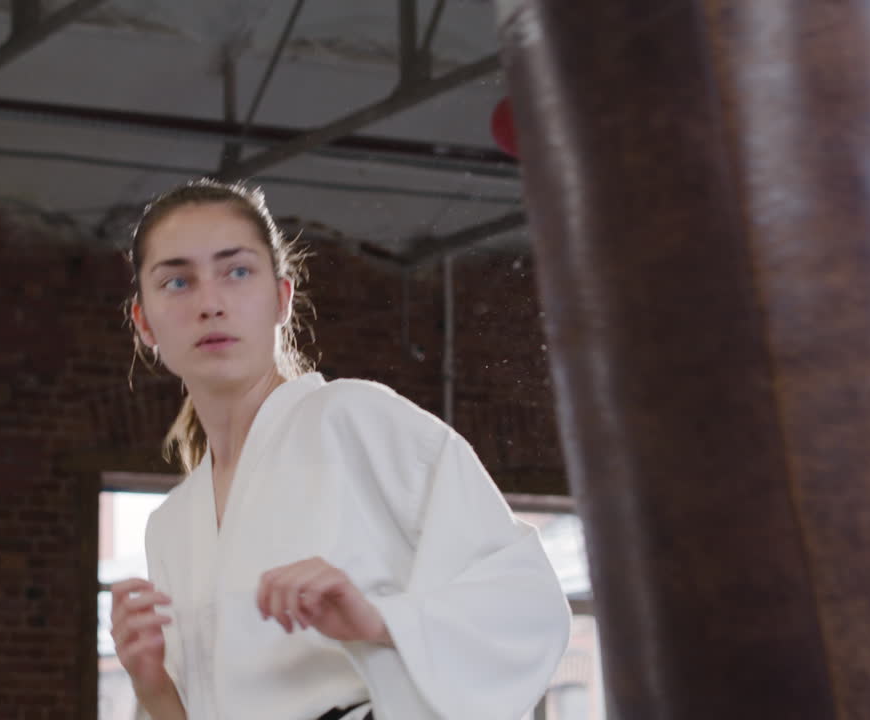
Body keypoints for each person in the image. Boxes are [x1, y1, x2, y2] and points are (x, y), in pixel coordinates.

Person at [109, 179, 570, 720]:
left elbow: (525, 605)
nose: (210, 303)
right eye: (178, 281)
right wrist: (153, 686)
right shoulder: (170, 524)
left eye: (237, 272)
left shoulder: (357, 421)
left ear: (281, 298)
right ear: (144, 323)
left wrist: (376, 622)